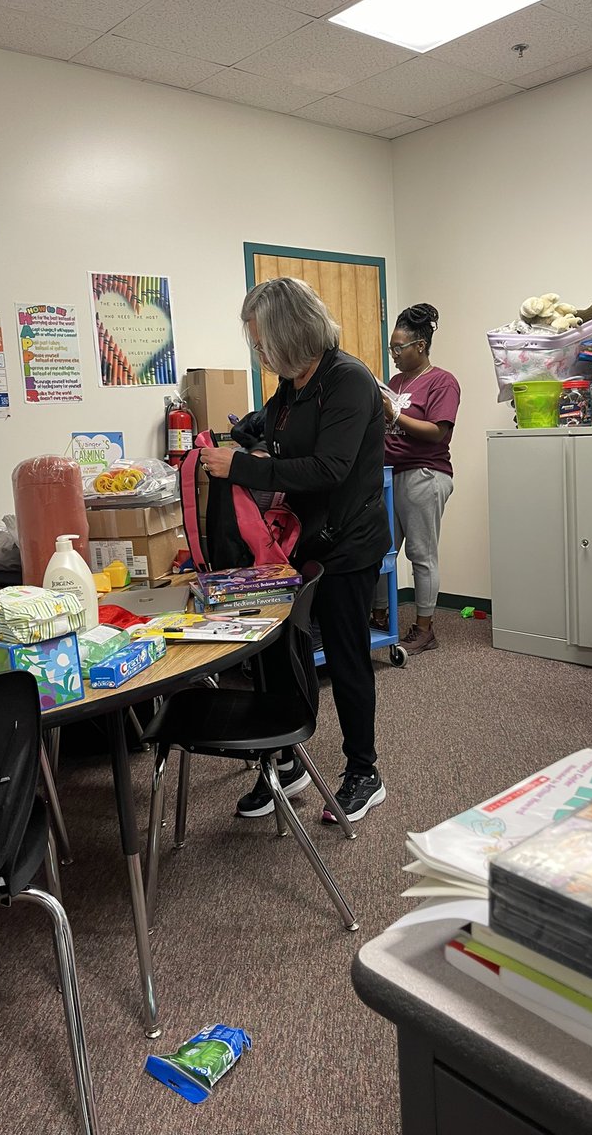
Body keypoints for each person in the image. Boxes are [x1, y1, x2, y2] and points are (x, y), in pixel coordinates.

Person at [199, 277, 390, 823]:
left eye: (261, 341)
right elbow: (268, 432)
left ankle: (363, 771)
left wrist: (240, 465)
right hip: (301, 543)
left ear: (288, 333)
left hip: (349, 543)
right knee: (286, 651)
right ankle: (290, 759)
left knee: (349, 657)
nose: (258, 351)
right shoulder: (292, 385)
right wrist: (230, 439)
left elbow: (329, 468)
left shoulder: (348, 380)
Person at [372, 303, 460, 654]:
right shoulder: (396, 381)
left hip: (424, 474)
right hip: (389, 477)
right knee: (382, 551)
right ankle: (379, 616)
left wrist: (392, 411)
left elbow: (437, 432)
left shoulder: (443, 381)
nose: (393, 353)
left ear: (420, 346)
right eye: (391, 347)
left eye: (398, 347)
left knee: (421, 555)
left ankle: (425, 628)